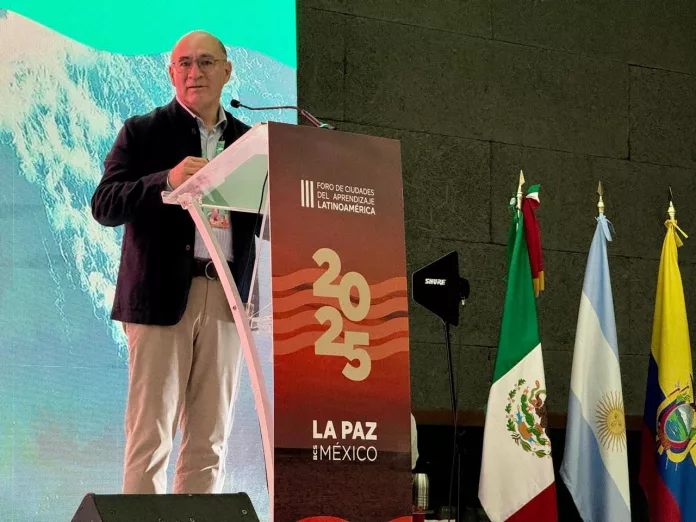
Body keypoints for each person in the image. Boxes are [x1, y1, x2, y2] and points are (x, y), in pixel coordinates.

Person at [91, 30, 258, 494]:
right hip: (159, 297)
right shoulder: (142, 132)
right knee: (151, 436)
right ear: (171, 73)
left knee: (211, 440)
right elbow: (104, 204)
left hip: (227, 297)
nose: (194, 72)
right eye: (184, 63)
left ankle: (196, 519)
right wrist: (165, 180)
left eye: (205, 62)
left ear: (227, 71)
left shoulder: (249, 142)